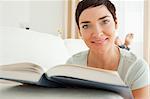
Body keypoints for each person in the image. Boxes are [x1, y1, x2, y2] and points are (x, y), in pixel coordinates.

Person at [66, 0, 150, 99]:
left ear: (116, 23)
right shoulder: (72, 65)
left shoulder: (137, 68)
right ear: (80, 32)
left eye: (105, 21)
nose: (97, 33)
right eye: (86, 26)